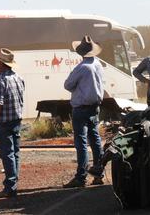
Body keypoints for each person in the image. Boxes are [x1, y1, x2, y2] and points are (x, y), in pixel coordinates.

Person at [62, 35, 105, 188]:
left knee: (81, 143)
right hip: (95, 106)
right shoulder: (97, 64)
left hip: (81, 108)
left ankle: (81, 177)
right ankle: (99, 174)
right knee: (95, 140)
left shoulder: (81, 68)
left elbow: (67, 85)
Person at [0, 48, 25, 199]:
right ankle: (13, 183)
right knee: (15, 153)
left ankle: (10, 187)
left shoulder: (0, 81)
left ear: (2, 64)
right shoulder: (18, 78)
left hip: (4, 122)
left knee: (7, 154)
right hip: (16, 119)